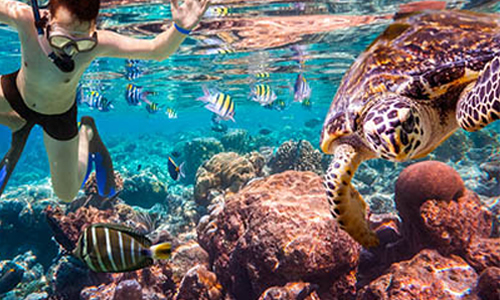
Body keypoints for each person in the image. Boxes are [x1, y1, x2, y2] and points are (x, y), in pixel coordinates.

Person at [0, 0, 210, 200]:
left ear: (93, 28)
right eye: (61, 40)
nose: (69, 51)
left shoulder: (99, 43)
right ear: (48, 18)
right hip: (15, 93)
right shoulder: (25, 18)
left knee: (66, 193)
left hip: (59, 114)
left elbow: (156, 50)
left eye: (81, 42)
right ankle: (15, 119)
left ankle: (86, 132)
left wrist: (180, 29)